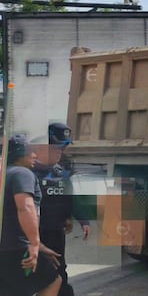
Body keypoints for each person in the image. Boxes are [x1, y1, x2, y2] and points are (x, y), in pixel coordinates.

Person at [0, 134, 62, 296]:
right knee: (53, 280)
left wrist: (39, 245)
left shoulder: (4, 173)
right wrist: (34, 244)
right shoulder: (22, 173)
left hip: (6, 247)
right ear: (20, 153)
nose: (35, 155)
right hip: (18, 248)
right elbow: (25, 207)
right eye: (31, 152)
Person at [34, 123, 91, 296]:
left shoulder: (60, 173)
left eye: (61, 149)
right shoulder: (29, 172)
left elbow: (70, 199)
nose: (60, 153)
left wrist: (82, 220)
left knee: (59, 272)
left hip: (55, 232)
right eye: (56, 149)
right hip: (35, 234)